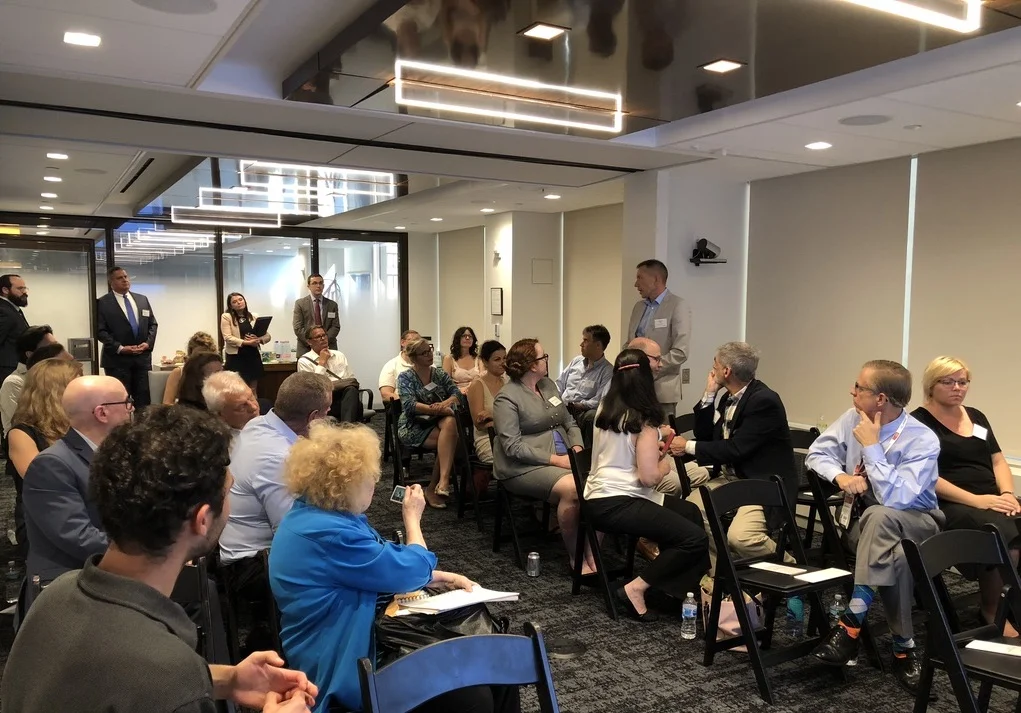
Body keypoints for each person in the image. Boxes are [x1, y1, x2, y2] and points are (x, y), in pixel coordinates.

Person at [1, 405, 317, 713]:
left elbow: (107, 683)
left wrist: (226, 679)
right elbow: (156, 682)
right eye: (229, 490)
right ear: (202, 520)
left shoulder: (54, 597)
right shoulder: (167, 680)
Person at [270, 422, 518, 713]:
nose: (374, 485)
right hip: (345, 662)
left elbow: (376, 565)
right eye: (370, 479)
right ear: (344, 486)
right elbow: (412, 568)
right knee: (475, 690)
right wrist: (413, 519)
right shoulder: (331, 533)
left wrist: (438, 577)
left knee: (495, 664)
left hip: (342, 640)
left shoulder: (311, 517)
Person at [806, 360, 943, 694]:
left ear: (880, 399)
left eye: (859, 387)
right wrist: (840, 476)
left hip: (918, 523)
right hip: (865, 526)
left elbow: (897, 499)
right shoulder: (851, 417)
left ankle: (850, 625)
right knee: (898, 556)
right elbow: (816, 454)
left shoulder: (922, 439)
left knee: (882, 515)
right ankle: (903, 648)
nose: (852, 392)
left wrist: (871, 447)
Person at [584, 349, 710, 621]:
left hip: (598, 497)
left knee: (689, 513)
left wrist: (652, 450)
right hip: (620, 501)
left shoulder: (605, 410)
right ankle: (636, 588)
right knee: (694, 539)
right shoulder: (644, 421)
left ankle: (674, 592)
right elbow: (650, 477)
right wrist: (664, 463)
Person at [218, 372, 331, 655]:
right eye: (327, 412)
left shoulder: (259, 425)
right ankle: (304, 649)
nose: (330, 417)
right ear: (313, 417)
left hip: (239, 546)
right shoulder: (279, 458)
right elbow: (292, 534)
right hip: (249, 564)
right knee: (343, 569)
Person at [911, 356, 1019, 636]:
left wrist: (1007, 493)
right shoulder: (917, 423)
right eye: (948, 382)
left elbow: (998, 460)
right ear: (931, 385)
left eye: (962, 382)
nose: (957, 388)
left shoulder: (976, 416)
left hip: (993, 498)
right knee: (1002, 532)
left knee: (1014, 521)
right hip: (951, 502)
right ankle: (992, 611)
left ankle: (1013, 605)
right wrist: (978, 500)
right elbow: (928, 477)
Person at [677, 342, 798, 573]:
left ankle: (791, 571)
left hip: (761, 483)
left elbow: (736, 449)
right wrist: (709, 395)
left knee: (741, 537)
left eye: (715, 364)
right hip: (731, 478)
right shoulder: (728, 397)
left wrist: (687, 446)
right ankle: (723, 574)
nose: (712, 368)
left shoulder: (764, 400)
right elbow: (706, 436)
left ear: (726, 371)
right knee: (690, 513)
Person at [492, 338, 594, 574]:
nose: (547, 360)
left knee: (600, 483)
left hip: (564, 456)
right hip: (522, 467)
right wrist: (558, 460)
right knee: (573, 489)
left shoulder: (548, 385)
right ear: (531, 365)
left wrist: (577, 447)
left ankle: (591, 552)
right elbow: (513, 447)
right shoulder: (507, 398)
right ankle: (576, 557)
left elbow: (569, 422)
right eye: (543, 357)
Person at [22, 375, 134, 587]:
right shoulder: (51, 464)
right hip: (70, 585)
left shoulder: (118, 453)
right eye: (127, 402)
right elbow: (77, 536)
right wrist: (147, 551)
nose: (131, 409)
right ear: (102, 413)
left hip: (109, 573)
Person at [6, 359, 81, 561]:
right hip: (44, 520)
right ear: (57, 391)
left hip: (80, 511)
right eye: (77, 384)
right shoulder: (21, 433)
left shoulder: (80, 423)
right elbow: (45, 482)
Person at [397, 338, 461, 509]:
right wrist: (437, 410)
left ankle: (441, 482)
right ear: (414, 358)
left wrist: (444, 404)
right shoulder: (405, 377)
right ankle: (435, 487)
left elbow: (456, 394)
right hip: (414, 426)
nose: (429, 355)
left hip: (439, 421)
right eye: (424, 353)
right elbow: (410, 405)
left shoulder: (439, 374)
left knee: (449, 425)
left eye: (430, 350)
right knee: (450, 438)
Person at [626, 259, 691, 416]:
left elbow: (680, 352)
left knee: (662, 431)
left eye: (640, 277)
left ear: (655, 279)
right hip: (635, 388)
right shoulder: (638, 307)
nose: (636, 284)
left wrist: (650, 368)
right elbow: (630, 343)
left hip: (662, 389)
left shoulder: (678, 305)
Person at [96, 266, 158, 408]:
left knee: (143, 400)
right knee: (119, 401)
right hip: (117, 361)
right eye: (120, 278)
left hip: (142, 359)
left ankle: (142, 423)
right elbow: (100, 331)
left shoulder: (142, 300)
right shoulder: (103, 303)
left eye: (126, 277)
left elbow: (153, 324)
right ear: (111, 282)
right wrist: (120, 348)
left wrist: (148, 344)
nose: (125, 280)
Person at [556, 325, 612, 449]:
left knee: (591, 416)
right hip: (563, 406)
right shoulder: (576, 361)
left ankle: (584, 456)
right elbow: (559, 384)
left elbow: (599, 400)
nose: (581, 344)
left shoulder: (607, 371)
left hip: (582, 411)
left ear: (598, 345)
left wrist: (580, 405)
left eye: (585, 340)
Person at [297, 326, 362, 423]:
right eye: (318, 337)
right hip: (321, 402)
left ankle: (347, 427)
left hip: (344, 396)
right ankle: (348, 428)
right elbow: (313, 388)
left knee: (351, 390)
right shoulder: (304, 361)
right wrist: (322, 363)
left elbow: (350, 380)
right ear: (309, 342)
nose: (323, 338)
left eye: (324, 335)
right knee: (352, 398)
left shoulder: (339, 355)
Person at [1, 324, 57, 434]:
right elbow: (24, 426)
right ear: (30, 354)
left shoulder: (54, 378)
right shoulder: (14, 383)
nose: (57, 352)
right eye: (50, 348)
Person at [466, 340, 507, 464]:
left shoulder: (507, 382)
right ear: (485, 362)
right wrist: (508, 421)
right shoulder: (477, 385)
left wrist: (494, 417)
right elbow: (480, 424)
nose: (503, 363)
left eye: (505, 358)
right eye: (497, 359)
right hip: (488, 439)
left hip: (509, 435)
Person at [222, 292, 271, 391]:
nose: (238, 302)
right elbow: (227, 337)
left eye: (240, 299)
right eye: (234, 302)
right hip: (236, 356)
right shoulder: (227, 317)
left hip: (252, 355)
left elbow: (267, 336)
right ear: (230, 306)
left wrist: (259, 340)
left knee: (252, 389)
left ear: (245, 301)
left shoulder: (253, 316)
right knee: (236, 390)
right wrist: (247, 343)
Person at [162, 331, 218, 405]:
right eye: (198, 354)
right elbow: (167, 403)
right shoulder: (178, 373)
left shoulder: (216, 373)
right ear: (190, 354)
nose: (201, 358)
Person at [293, 273, 339, 356]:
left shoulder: (332, 305)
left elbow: (335, 326)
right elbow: (298, 328)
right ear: (309, 286)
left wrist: (324, 341)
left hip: (329, 348)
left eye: (320, 283)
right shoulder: (300, 304)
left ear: (323, 286)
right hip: (306, 349)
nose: (318, 286)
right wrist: (313, 342)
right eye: (314, 283)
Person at [203, 370, 260, 438]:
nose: (254, 407)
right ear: (220, 416)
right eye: (241, 407)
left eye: (251, 397)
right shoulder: (222, 443)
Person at [0, 273, 30, 387]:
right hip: (6, 371)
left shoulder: (13, 309)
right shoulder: (3, 311)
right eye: (20, 288)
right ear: (5, 290)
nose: (25, 292)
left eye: (25, 288)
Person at [378, 329, 419, 402]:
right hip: (403, 405)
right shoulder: (391, 365)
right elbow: (385, 394)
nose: (416, 344)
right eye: (412, 341)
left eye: (418, 342)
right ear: (402, 342)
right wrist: (409, 402)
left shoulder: (428, 365)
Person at [443, 326, 481, 393]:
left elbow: (483, 378)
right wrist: (459, 390)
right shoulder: (449, 359)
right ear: (458, 339)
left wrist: (469, 387)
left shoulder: (479, 358)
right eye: (464, 336)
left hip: (476, 392)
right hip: (456, 394)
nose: (467, 338)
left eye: (470, 336)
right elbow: (446, 383)